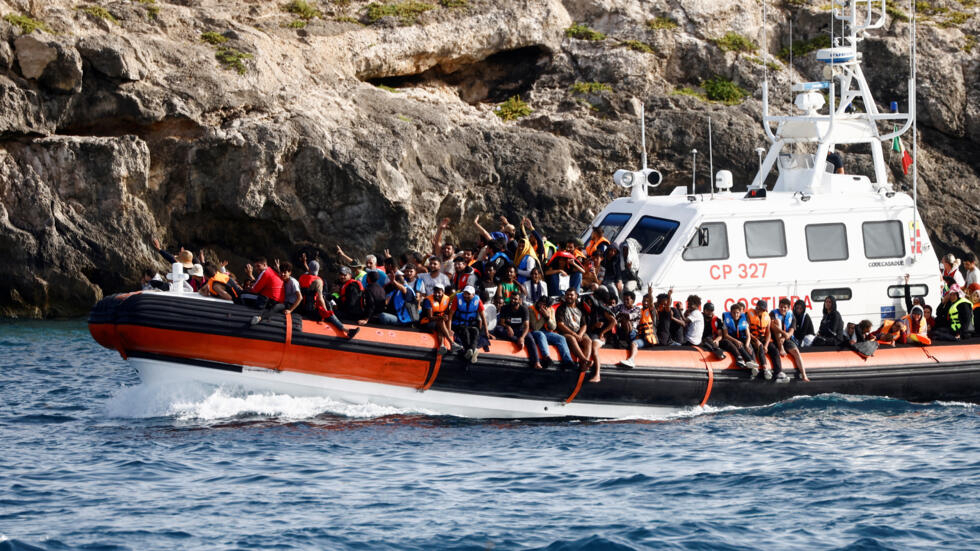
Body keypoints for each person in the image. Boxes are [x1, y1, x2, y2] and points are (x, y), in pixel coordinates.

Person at [529, 296, 577, 369]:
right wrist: (544, 316)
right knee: (541, 335)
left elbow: (553, 327)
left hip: (547, 332)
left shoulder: (551, 310)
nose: (542, 306)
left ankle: (568, 361)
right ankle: (546, 357)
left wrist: (548, 318)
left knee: (561, 338)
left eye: (545, 305)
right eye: (541, 304)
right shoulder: (531, 309)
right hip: (534, 332)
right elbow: (535, 327)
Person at [493, 293, 539, 368]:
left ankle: (536, 362)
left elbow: (527, 326)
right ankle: (516, 340)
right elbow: (501, 322)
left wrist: (522, 337)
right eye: (512, 298)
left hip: (519, 330)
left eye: (515, 299)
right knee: (498, 329)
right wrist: (508, 327)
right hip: (508, 330)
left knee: (530, 338)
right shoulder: (505, 308)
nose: (513, 300)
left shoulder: (524, 309)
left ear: (519, 300)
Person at [555, 288, 594, 373]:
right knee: (572, 338)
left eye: (571, 295)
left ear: (576, 296)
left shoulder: (580, 309)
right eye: (567, 295)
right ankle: (584, 360)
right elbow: (560, 325)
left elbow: (584, 325)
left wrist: (579, 335)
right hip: (566, 333)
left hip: (578, 332)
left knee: (588, 341)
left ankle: (584, 364)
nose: (569, 296)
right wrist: (574, 334)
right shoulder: (561, 308)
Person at [582, 288, 616, 382]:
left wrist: (602, 332)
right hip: (592, 334)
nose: (590, 302)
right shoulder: (592, 310)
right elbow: (590, 328)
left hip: (599, 336)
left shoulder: (603, 309)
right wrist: (594, 326)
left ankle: (597, 375)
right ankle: (587, 362)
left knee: (594, 349)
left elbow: (614, 322)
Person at [771, 298, 809, 381]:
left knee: (796, 351)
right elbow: (772, 326)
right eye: (781, 307)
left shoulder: (791, 316)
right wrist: (783, 333)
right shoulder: (773, 314)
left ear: (788, 308)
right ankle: (781, 348)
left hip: (786, 339)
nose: (782, 309)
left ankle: (804, 375)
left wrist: (785, 336)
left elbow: (791, 332)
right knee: (777, 321)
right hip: (775, 338)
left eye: (785, 307)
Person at [449, 285, 490, 362]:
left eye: (468, 294)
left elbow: (483, 316)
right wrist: (449, 329)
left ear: (473, 295)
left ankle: (471, 350)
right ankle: (471, 351)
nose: (466, 296)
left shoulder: (477, 300)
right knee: (465, 332)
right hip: (459, 323)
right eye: (465, 293)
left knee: (476, 331)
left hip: (471, 324)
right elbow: (450, 315)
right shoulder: (458, 298)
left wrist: (487, 331)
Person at [747, 300, 784, 381]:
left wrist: (766, 345)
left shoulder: (767, 317)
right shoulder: (749, 315)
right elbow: (747, 332)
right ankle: (765, 369)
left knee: (774, 349)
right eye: (757, 308)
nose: (758, 310)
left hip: (763, 338)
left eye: (761, 309)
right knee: (760, 347)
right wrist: (756, 340)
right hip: (752, 338)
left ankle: (779, 372)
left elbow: (768, 333)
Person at [243, 257, 285, 325]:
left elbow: (255, 290)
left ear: (265, 265)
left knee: (243, 295)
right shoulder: (271, 271)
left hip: (269, 300)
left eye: (258, 266)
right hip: (276, 300)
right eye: (255, 267)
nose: (256, 268)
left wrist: (248, 288)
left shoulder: (265, 273)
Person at [614, 289, 650, 368]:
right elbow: (611, 312)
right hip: (621, 330)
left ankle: (631, 359)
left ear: (633, 301)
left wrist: (620, 315)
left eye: (627, 299)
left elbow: (630, 316)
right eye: (624, 299)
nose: (625, 301)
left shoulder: (637, 310)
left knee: (626, 321)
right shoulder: (620, 306)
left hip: (632, 333)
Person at [721, 302, 759, 372]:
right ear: (731, 313)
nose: (736, 315)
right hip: (731, 339)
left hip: (741, 338)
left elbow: (748, 335)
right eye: (734, 313)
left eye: (737, 313)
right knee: (739, 345)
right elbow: (726, 335)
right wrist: (735, 340)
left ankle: (754, 364)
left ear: (740, 313)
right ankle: (749, 361)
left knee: (749, 346)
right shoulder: (726, 320)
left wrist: (747, 345)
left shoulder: (744, 320)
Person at [420, 284, 455, 354]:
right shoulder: (428, 300)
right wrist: (441, 318)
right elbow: (430, 317)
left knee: (440, 326)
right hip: (426, 321)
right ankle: (452, 343)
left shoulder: (447, 299)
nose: (436, 294)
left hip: (439, 322)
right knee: (440, 322)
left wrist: (449, 328)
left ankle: (441, 346)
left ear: (443, 292)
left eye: (439, 292)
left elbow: (447, 314)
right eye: (435, 292)